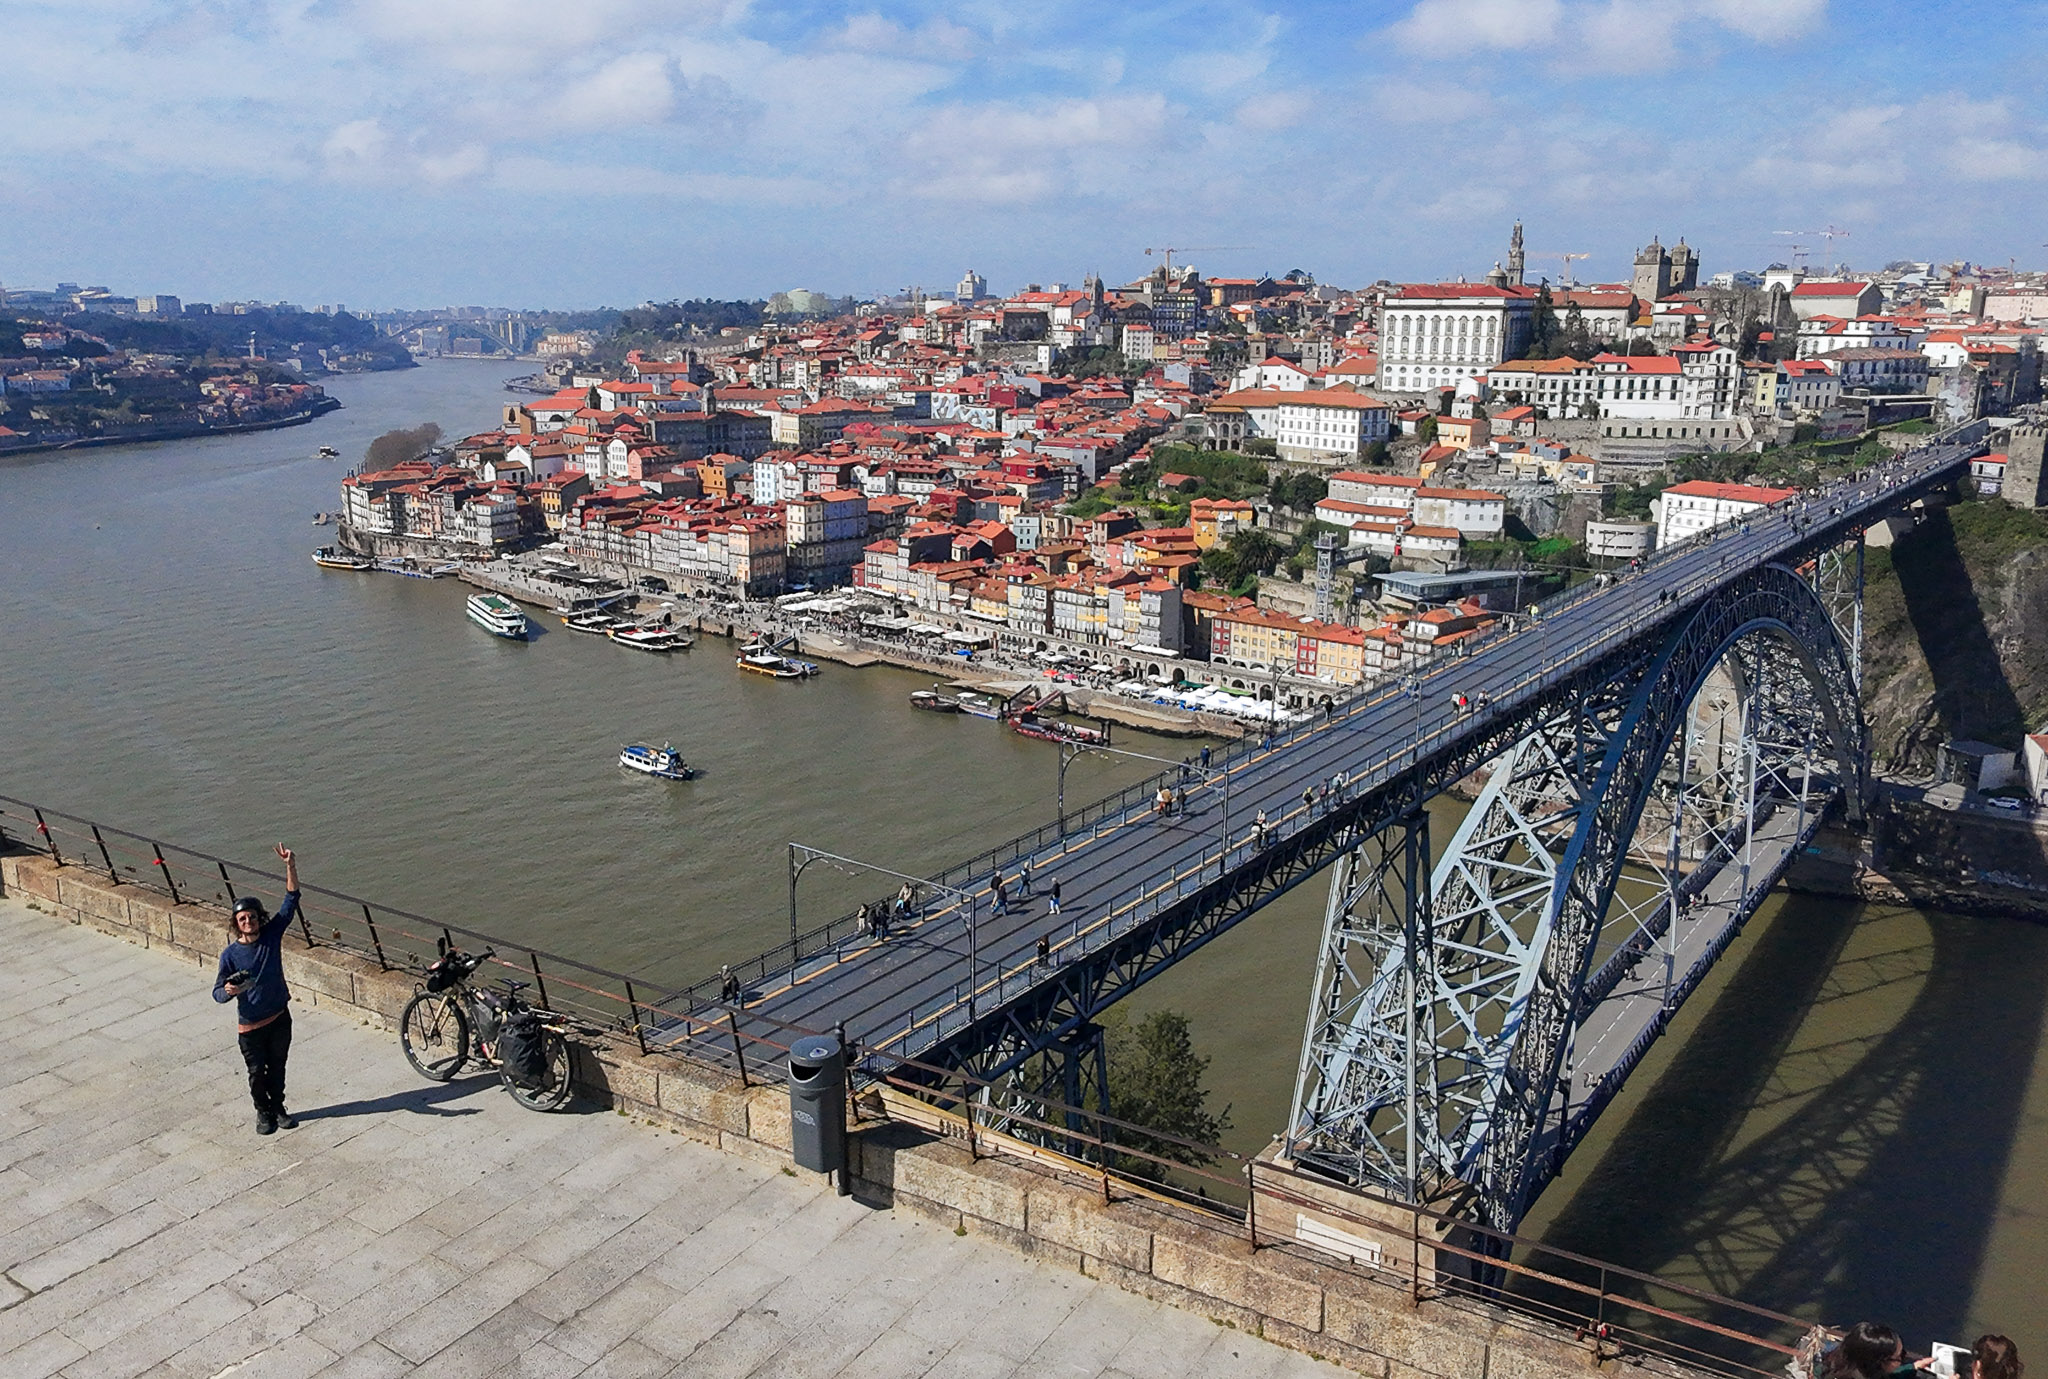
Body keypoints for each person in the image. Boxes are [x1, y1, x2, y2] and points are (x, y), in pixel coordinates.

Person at [213, 843, 302, 1135]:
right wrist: (228, 991)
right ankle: (263, 1112)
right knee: (256, 1074)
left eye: (252, 916)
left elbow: (291, 900)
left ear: (258, 917)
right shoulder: (230, 955)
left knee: (278, 1068)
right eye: (243, 919)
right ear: (236, 924)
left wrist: (290, 866)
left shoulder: (271, 935)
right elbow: (217, 993)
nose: (248, 921)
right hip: (251, 1027)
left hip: (279, 1017)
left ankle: (278, 1108)